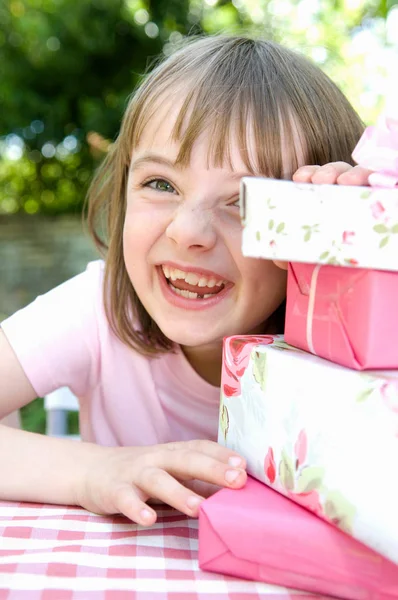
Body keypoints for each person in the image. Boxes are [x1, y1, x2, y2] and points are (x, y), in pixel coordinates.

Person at [0, 35, 371, 526]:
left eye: (246, 200)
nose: (188, 232)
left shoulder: (350, 339)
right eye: (161, 184)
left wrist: (366, 255)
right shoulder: (98, 310)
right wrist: (96, 471)